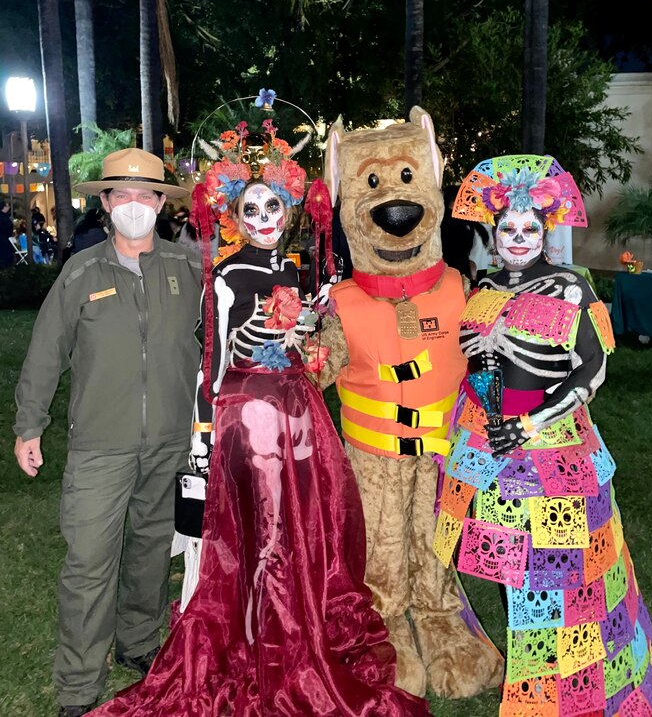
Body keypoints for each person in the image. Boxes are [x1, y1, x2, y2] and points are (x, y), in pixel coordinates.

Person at [89, 125, 429, 716]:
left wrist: (310, 340)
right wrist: (203, 440)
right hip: (250, 415)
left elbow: (307, 352)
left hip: (298, 407)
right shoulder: (225, 275)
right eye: (252, 209)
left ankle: (297, 626)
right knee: (268, 533)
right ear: (235, 216)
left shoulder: (295, 270)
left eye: (274, 205)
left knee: (304, 529)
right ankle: (270, 644)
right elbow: (212, 364)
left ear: (290, 207)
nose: (265, 216)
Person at [434, 155, 652, 715]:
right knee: (503, 557)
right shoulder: (484, 284)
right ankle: (525, 653)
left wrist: (531, 422)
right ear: (493, 235)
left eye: (529, 230)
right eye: (508, 230)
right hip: (486, 442)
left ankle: (562, 681)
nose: (518, 239)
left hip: (549, 446)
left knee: (558, 567)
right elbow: (476, 361)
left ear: (546, 232)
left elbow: (594, 370)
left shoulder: (573, 287)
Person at [13, 148, 202, 717]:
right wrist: (29, 424)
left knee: (149, 552)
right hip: (100, 446)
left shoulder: (189, 268)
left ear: (162, 204)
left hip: (170, 442)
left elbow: (219, 341)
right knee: (90, 564)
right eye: (123, 194)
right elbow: (47, 353)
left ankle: (139, 643)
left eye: (147, 195)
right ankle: (78, 684)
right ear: (105, 203)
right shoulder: (82, 271)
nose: (136, 204)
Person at [0, 199, 14, 267]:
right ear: (4, 207)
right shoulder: (2, 216)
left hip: (7, 238)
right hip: (3, 238)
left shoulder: (6, 216)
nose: (9, 207)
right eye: (8, 206)